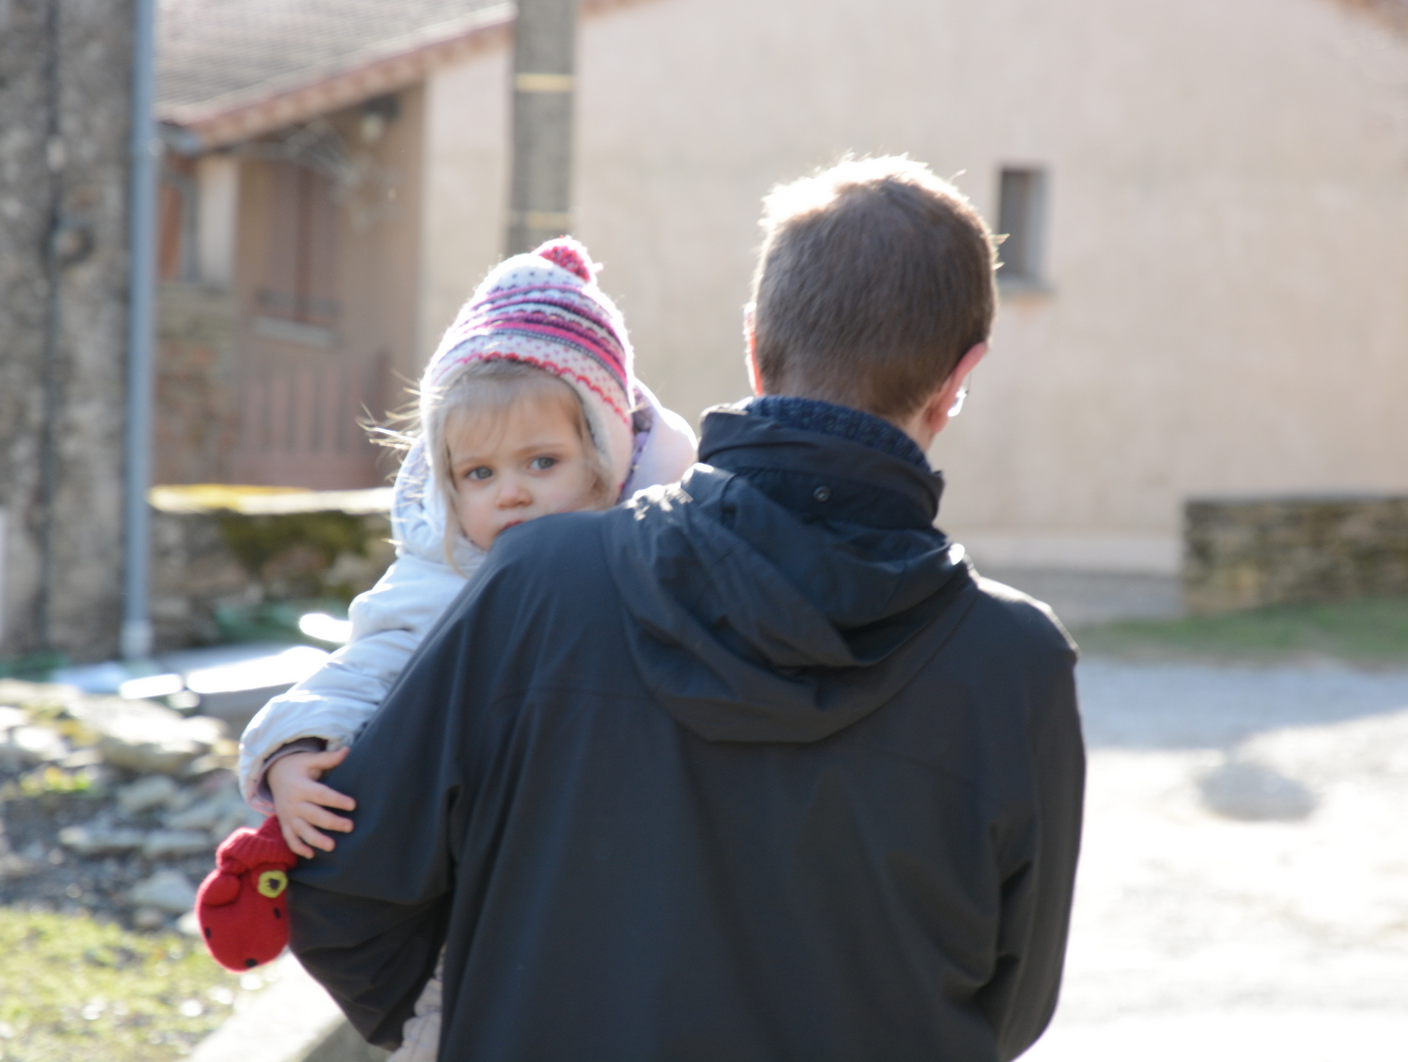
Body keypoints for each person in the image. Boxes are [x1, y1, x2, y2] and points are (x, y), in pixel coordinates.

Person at [289, 156, 1086, 1062]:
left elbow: (343, 887)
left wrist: (481, 1016)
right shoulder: (1016, 664)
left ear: (755, 346)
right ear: (959, 377)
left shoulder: (541, 580)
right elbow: (1010, 1008)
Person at [232, 237, 698, 1058]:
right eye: (479, 473)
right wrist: (291, 755)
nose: (510, 490)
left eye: (541, 461)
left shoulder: (660, 564)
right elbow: (360, 669)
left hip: (626, 888)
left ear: (606, 456)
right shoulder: (439, 577)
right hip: (478, 902)